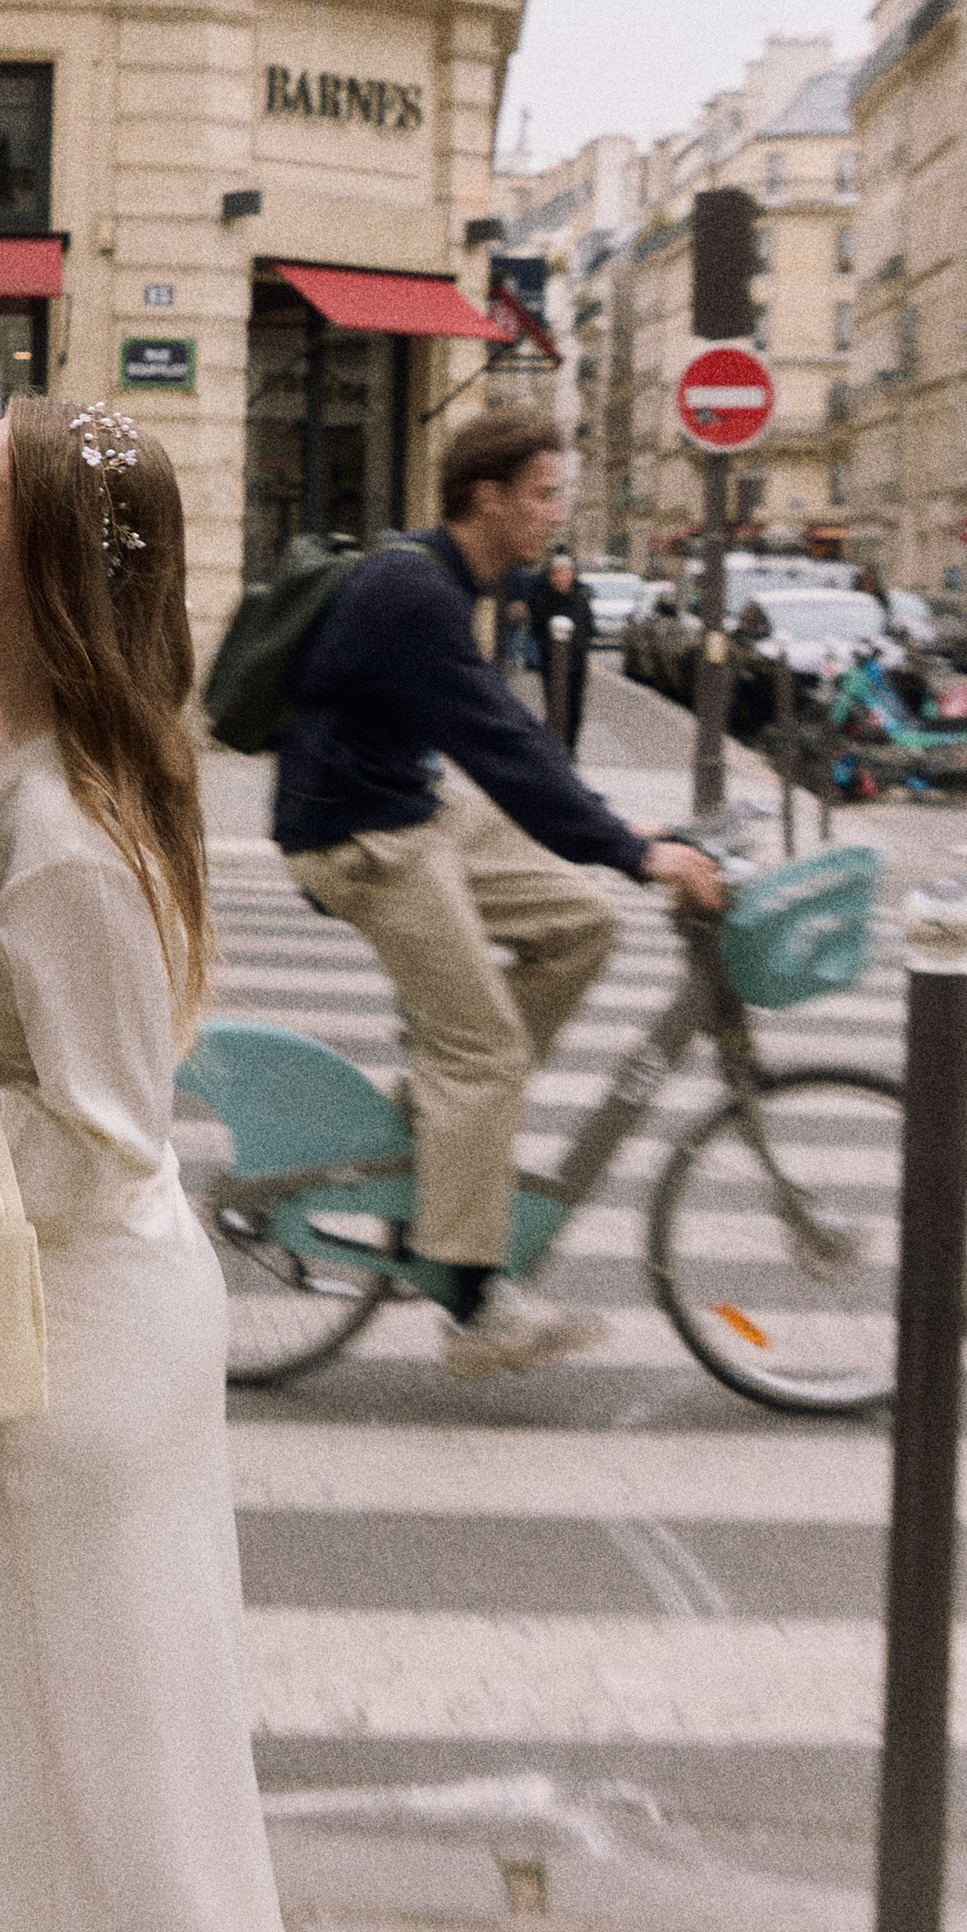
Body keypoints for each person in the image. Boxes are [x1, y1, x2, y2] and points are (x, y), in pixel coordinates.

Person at [0, 399, 391, 1932]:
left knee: (134, 1775)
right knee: (50, 1765)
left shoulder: (67, 832)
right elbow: (24, 775)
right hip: (70, 1334)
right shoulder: (39, 758)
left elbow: (101, 1140)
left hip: (88, 1338)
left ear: (42, 564)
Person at [274, 414, 724, 1368]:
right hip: (355, 836)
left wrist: (618, 837)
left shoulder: (450, 580)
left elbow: (510, 739)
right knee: (484, 1050)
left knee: (582, 922)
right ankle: (475, 1308)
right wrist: (629, 850)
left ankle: (445, 1113)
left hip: (407, 809)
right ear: (490, 499)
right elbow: (500, 744)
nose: (558, 514)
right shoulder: (414, 591)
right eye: (544, 495)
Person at [522, 546, 595, 751]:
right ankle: (555, 746)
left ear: (572, 575)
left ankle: (570, 747)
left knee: (575, 708)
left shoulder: (581, 599)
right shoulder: (543, 600)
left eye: (566, 573)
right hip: (552, 663)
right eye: (557, 574)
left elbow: (589, 628)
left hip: (577, 663)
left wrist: (579, 647)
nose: (562, 578)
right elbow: (537, 628)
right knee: (555, 706)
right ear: (551, 577)